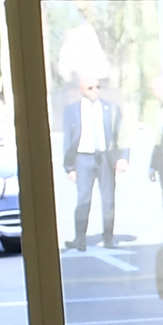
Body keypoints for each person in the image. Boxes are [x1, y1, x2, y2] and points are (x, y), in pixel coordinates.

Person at [62, 72, 124, 248]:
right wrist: (69, 167)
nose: (95, 91)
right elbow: (68, 140)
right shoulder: (72, 111)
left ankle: (108, 238)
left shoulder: (110, 108)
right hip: (83, 158)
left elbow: (120, 135)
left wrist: (122, 158)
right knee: (83, 199)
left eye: (97, 87)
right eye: (90, 88)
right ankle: (79, 238)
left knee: (108, 200)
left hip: (105, 157)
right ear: (82, 90)